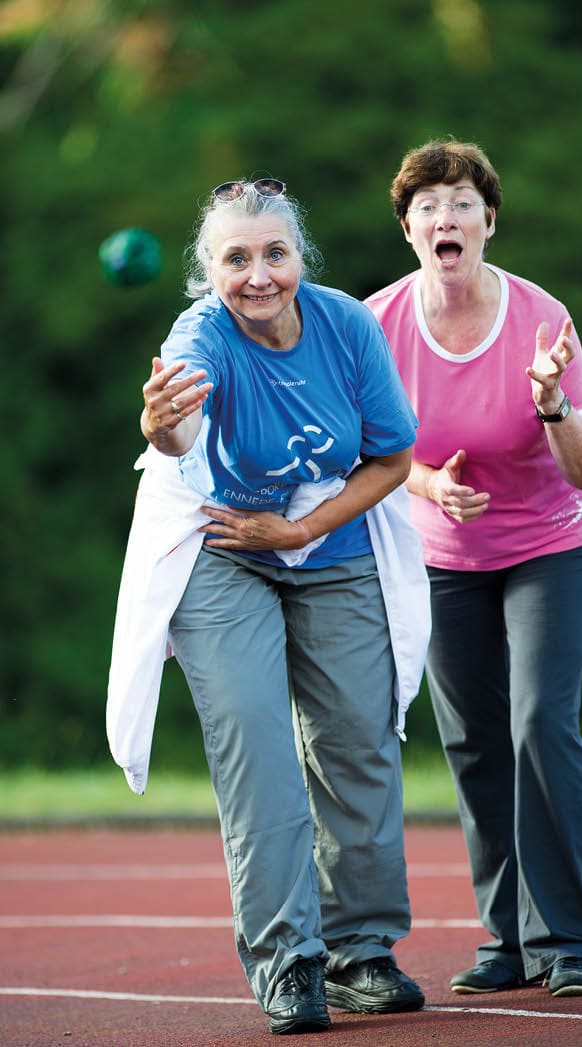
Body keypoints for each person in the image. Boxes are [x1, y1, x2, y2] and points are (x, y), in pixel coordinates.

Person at [107, 177, 429, 1034]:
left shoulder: (347, 326)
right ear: (208, 270)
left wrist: (300, 531)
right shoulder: (198, 333)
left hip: (327, 540)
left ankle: (360, 951)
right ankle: (288, 961)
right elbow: (179, 428)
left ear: (299, 258)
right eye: (235, 258)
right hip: (222, 547)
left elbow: (392, 459)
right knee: (257, 750)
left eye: (273, 253)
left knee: (355, 743)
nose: (258, 274)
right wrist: (160, 424)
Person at [365, 139, 582, 999]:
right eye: (428, 205)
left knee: (540, 721)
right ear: (407, 229)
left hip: (553, 543)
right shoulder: (378, 324)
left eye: (462, 202)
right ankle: (507, 937)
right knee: (472, 742)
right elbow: (370, 454)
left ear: (488, 221)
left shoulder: (540, 316)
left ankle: (570, 941)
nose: (446, 216)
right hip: (441, 555)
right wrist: (429, 481)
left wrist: (549, 403)